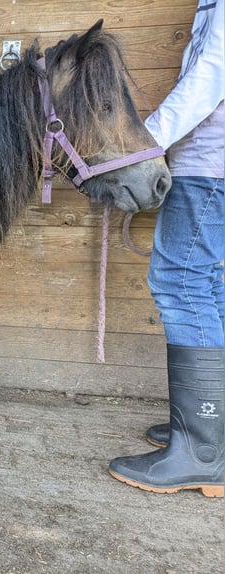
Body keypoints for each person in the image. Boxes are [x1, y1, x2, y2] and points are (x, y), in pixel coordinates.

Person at [108, 0, 224, 497]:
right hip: (212, 163)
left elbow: (208, 79)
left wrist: (142, 147)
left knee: (182, 284)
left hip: (209, 165)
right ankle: (213, 430)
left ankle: (202, 452)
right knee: (210, 285)